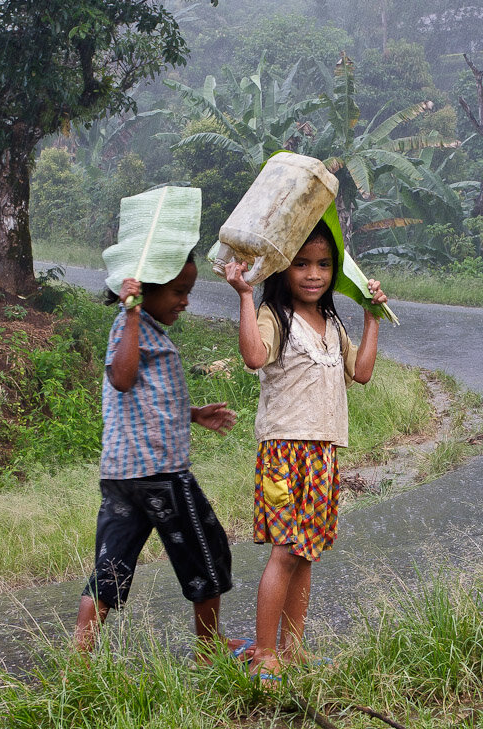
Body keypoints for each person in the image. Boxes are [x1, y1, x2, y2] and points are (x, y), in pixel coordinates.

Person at [224, 219, 387, 678]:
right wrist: (243, 296)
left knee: (307, 551)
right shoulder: (275, 316)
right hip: (282, 456)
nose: (313, 274)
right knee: (285, 551)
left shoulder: (332, 322)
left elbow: (363, 371)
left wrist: (371, 316)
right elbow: (254, 357)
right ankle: (265, 652)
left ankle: (294, 650)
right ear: (282, 268)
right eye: (301, 264)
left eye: (323, 264)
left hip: (323, 456)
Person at [73, 250, 243, 663]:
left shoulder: (146, 330)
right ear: (143, 291)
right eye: (179, 291)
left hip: (122, 477)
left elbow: (147, 400)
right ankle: (208, 649)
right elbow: (123, 377)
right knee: (207, 551)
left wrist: (193, 415)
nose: (185, 301)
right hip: (161, 473)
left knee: (111, 566)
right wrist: (130, 314)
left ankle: (79, 656)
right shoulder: (129, 327)